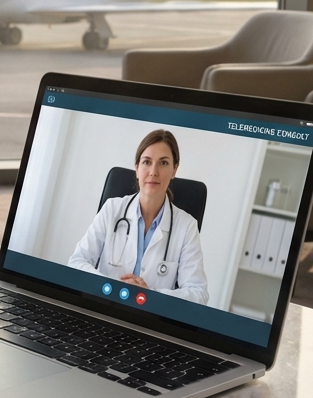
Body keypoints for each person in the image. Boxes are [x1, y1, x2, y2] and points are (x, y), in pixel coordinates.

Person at [68, 129, 209, 304]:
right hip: (103, 308)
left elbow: (198, 295)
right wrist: (114, 287)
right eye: (147, 162)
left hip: (150, 321)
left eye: (163, 163)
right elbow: (77, 262)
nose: (153, 171)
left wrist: (150, 294)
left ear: (174, 169)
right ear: (136, 168)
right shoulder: (112, 209)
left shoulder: (187, 227)